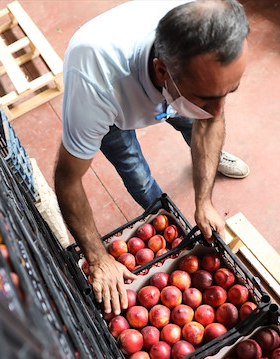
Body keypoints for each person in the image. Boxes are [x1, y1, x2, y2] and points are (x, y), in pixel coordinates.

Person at [54, 0, 251, 316]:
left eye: (229, 91)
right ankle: (160, 213)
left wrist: (204, 201)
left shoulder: (204, 32)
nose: (220, 108)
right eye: (207, 96)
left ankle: (209, 161)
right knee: (133, 166)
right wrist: (98, 258)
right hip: (118, 106)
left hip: (176, 88)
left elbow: (211, 116)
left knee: (198, 120)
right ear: (162, 71)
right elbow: (67, 179)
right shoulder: (95, 86)